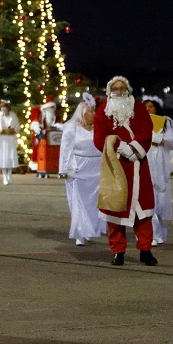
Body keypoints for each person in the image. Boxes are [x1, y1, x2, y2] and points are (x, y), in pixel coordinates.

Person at [93, 76, 158, 266]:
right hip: (116, 166)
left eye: (122, 89)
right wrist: (119, 147)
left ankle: (145, 250)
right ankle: (118, 251)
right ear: (109, 92)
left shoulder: (138, 108)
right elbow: (99, 139)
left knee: (143, 211)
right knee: (115, 210)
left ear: (127, 90)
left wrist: (134, 148)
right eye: (115, 89)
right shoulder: (102, 112)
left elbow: (147, 130)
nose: (119, 93)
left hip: (138, 164)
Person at [58, 93, 107, 245]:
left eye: (94, 111)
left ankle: (91, 230)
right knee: (78, 201)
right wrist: (64, 169)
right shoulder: (72, 128)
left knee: (94, 202)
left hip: (97, 169)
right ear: (82, 113)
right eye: (91, 111)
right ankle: (80, 232)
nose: (94, 114)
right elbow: (65, 149)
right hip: (79, 168)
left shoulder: (99, 128)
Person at [144, 98, 173, 245]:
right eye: (145, 107)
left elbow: (172, 143)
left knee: (161, 200)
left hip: (160, 164)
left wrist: (159, 139)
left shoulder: (164, 122)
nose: (148, 109)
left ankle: (161, 233)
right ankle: (150, 234)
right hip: (146, 161)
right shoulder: (139, 122)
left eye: (151, 106)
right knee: (147, 199)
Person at [0, 99, 21, 185]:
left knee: (10, 157)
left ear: (8, 109)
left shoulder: (13, 117)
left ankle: (9, 174)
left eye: (5, 108)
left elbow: (17, 127)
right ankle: (4, 176)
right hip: (1, 140)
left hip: (10, 139)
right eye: (2, 108)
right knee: (2, 158)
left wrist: (13, 130)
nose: (4, 110)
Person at [28, 97, 60, 171]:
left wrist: (57, 126)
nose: (51, 110)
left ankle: (51, 166)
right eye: (50, 108)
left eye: (52, 108)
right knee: (39, 150)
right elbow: (34, 121)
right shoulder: (39, 112)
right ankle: (38, 165)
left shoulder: (55, 115)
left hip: (51, 135)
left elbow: (56, 123)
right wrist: (36, 126)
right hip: (41, 134)